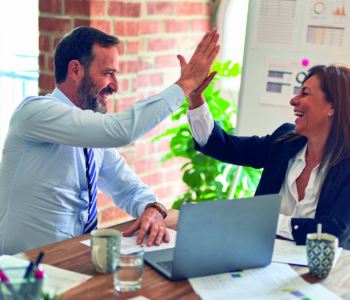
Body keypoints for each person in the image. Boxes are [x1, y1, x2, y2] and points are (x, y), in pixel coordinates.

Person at [0, 26, 220, 255]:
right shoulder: (34, 112)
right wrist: (184, 85)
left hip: (73, 263)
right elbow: (121, 130)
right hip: (21, 273)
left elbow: (126, 185)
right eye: (108, 73)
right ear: (75, 69)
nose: (115, 86)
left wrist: (151, 207)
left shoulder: (90, 135)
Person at [186, 64, 350, 250]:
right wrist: (196, 97)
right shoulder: (284, 142)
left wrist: (266, 220)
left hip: (324, 274)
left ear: (333, 107)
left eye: (305, 93)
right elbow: (223, 146)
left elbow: (333, 232)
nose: (293, 100)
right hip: (263, 260)